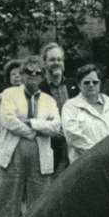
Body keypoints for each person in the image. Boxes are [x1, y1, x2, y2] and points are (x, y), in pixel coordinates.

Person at [0, 56, 62, 217]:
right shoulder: (9, 94)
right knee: (5, 209)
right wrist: (34, 132)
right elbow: (8, 120)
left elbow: (56, 126)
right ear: (22, 75)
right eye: (29, 72)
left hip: (40, 160)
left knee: (38, 208)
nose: (33, 75)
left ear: (43, 77)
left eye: (38, 73)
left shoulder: (49, 100)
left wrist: (31, 122)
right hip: (11, 158)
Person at [60, 63, 109, 163]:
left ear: (100, 84)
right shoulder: (70, 106)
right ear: (79, 84)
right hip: (84, 165)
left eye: (95, 82)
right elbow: (74, 137)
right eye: (86, 82)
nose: (91, 85)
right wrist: (99, 154)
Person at [39, 42, 79, 173]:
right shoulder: (39, 89)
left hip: (74, 144)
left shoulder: (74, 85)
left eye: (59, 59)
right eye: (52, 60)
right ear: (44, 63)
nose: (56, 62)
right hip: (51, 146)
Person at [0, 59, 24, 143]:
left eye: (20, 73)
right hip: (7, 138)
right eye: (13, 74)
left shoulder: (33, 95)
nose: (17, 76)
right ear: (8, 78)